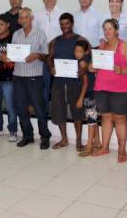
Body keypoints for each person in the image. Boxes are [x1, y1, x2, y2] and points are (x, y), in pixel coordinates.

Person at [90, 19, 127, 162]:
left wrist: (123, 70)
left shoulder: (125, 46)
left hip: (121, 89)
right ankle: (104, 147)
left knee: (120, 118)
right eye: (105, 29)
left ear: (117, 30)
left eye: (110, 28)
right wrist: (92, 68)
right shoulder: (101, 46)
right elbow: (95, 67)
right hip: (101, 87)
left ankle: (122, 149)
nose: (107, 31)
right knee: (106, 117)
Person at [8, 7, 51, 149]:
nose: (23, 20)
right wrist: (6, 58)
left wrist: (37, 55)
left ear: (31, 18)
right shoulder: (16, 34)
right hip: (18, 76)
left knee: (39, 108)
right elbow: (13, 54)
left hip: (34, 77)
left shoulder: (40, 34)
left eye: (26, 17)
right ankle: (28, 136)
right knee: (21, 108)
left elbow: (46, 56)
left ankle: (45, 136)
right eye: (21, 17)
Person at [47, 13, 87, 150]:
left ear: (72, 23)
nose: (64, 26)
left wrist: (83, 68)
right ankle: (64, 139)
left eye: (67, 23)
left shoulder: (80, 39)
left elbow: (88, 57)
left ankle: (78, 141)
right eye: (62, 24)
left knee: (77, 111)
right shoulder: (55, 41)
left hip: (75, 81)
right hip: (58, 81)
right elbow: (49, 57)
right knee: (59, 109)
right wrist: (51, 67)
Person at [33, 0, 65, 113]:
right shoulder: (36, 14)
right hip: (42, 55)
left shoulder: (63, 13)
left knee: (59, 85)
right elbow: (34, 34)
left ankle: (59, 111)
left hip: (58, 54)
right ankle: (44, 111)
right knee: (44, 84)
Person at [75, 40, 102, 157]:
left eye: (80, 51)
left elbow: (86, 83)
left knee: (91, 119)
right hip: (92, 92)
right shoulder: (86, 60)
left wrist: (81, 98)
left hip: (89, 93)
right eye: (75, 50)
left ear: (86, 52)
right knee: (93, 118)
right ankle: (98, 142)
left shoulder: (83, 62)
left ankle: (90, 146)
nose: (77, 53)